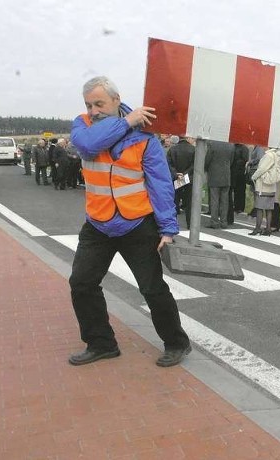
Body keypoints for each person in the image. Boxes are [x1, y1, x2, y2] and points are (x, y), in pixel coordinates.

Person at [68, 76, 190, 367]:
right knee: (82, 284)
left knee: (152, 288)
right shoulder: (83, 126)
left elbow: (160, 185)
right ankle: (101, 344)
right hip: (98, 224)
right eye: (88, 104)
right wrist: (126, 122)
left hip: (137, 224)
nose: (93, 110)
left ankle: (176, 343)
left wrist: (168, 229)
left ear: (116, 100)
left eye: (99, 103)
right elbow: (88, 144)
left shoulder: (145, 137)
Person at [249, 148, 280, 236]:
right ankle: (268, 228)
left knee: (259, 208)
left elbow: (262, 169)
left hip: (263, 186)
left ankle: (257, 228)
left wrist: (253, 177)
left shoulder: (268, 156)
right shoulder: (276, 155)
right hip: (272, 186)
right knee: (269, 209)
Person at [204, 140, 234, 229]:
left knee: (214, 200)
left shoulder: (212, 144)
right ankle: (224, 222)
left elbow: (207, 160)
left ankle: (214, 221)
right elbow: (231, 160)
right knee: (225, 201)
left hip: (214, 175)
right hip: (226, 175)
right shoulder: (231, 145)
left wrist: (206, 168)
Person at [167, 136, 195, 227]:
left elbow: (168, 164)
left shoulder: (172, 149)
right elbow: (194, 164)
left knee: (174, 202)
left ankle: (173, 223)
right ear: (187, 138)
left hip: (176, 178)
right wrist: (185, 174)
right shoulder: (193, 149)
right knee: (189, 202)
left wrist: (176, 174)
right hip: (188, 178)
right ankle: (190, 223)